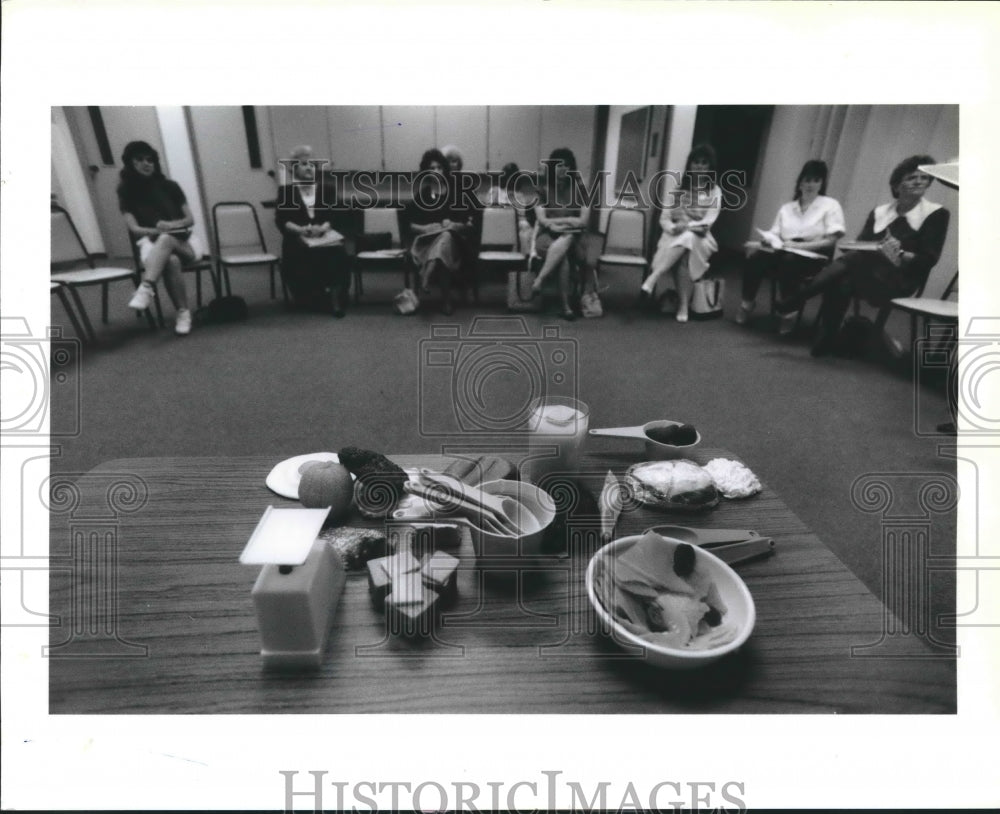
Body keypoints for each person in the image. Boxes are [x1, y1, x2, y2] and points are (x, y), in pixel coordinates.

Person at [776, 154, 950, 357]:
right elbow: (861, 244)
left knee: (850, 266)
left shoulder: (936, 214)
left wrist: (900, 253)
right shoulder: (880, 212)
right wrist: (857, 248)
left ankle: (799, 299)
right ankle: (826, 337)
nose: (920, 181)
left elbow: (928, 260)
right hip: (864, 272)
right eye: (912, 177)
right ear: (897, 185)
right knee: (844, 278)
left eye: (924, 177)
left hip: (900, 278)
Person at [737, 159, 846, 334]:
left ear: (822, 183)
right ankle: (747, 304)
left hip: (814, 255)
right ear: (800, 182)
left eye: (816, 180)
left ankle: (788, 314)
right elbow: (775, 232)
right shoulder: (787, 208)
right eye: (807, 180)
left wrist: (802, 247)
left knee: (789, 262)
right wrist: (768, 240)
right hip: (785, 249)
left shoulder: (830, 205)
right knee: (755, 258)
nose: (811, 184)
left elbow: (831, 240)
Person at [118, 140, 203, 335]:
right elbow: (134, 228)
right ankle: (183, 313)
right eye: (139, 159)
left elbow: (190, 219)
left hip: (185, 244)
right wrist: (155, 231)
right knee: (171, 261)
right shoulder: (126, 192)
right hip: (153, 245)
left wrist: (171, 225)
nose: (146, 164)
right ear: (130, 163)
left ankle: (146, 287)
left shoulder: (170, 186)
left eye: (150, 160)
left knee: (167, 240)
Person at [640, 144, 722, 323]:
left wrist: (687, 225)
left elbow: (708, 222)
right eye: (696, 162)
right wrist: (673, 228)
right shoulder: (679, 188)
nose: (699, 167)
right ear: (690, 165)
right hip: (674, 236)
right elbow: (665, 218)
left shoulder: (714, 191)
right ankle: (683, 305)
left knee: (689, 238)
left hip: (701, 238)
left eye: (704, 163)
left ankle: (654, 277)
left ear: (710, 167)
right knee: (684, 250)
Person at [274, 145, 350, 317]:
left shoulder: (327, 189)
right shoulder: (286, 192)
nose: (309, 167)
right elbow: (282, 220)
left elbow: (335, 215)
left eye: (311, 165)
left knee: (337, 251)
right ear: (294, 169)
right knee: (299, 252)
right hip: (298, 237)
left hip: (325, 236)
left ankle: (335, 299)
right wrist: (301, 230)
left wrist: (322, 228)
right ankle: (315, 296)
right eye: (303, 164)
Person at [403, 148, 475, 315]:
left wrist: (453, 224)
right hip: (427, 243)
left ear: (444, 169)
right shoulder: (423, 195)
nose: (436, 171)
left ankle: (428, 273)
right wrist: (425, 228)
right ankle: (446, 301)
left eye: (439, 167)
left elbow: (467, 225)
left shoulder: (456, 194)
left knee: (447, 236)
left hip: (455, 246)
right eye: (432, 168)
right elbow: (408, 224)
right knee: (443, 243)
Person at [529, 147, 594, 321]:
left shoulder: (580, 190)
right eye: (558, 166)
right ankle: (566, 307)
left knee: (569, 238)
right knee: (563, 255)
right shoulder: (541, 190)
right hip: (547, 237)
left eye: (566, 166)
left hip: (575, 238)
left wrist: (558, 223)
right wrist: (565, 222)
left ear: (571, 168)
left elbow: (583, 221)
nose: (562, 169)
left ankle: (540, 280)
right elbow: (542, 220)